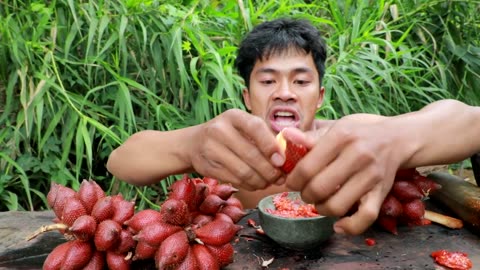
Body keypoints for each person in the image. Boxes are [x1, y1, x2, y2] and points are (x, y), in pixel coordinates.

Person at [106, 18, 480, 235]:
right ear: (247, 96)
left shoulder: (354, 136)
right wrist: (188, 145)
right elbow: (121, 160)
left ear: (319, 95)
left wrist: (399, 135)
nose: (284, 93)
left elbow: (469, 121)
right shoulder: (226, 151)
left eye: (300, 82)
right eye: (267, 81)